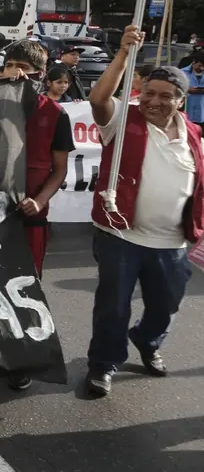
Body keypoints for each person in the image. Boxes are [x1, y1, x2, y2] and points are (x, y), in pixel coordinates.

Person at [84, 25, 203, 398]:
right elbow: (99, 97)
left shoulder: (195, 136)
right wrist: (123, 53)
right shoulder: (123, 119)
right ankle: (104, 364)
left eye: (165, 96)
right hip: (121, 236)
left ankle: (147, 340)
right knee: (113, 308)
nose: (153, 101)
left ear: (180, 100)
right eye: (147, 93)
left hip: (171, 243)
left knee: (165, 306)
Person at [0, 39, 75, 391]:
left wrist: (40, 200)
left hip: (30, 217)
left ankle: (21, 358)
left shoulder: (56, 115)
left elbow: (59, 170)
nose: (14, 76)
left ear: (39, 75)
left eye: (23, 71)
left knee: (24, 288)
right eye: (9, 67)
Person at [180, 52, 204, 129]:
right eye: (199, 65)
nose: (201, 68)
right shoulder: (182, 72)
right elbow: (174, 88)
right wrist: (187, 89)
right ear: (194, 62)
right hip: (187, 108)